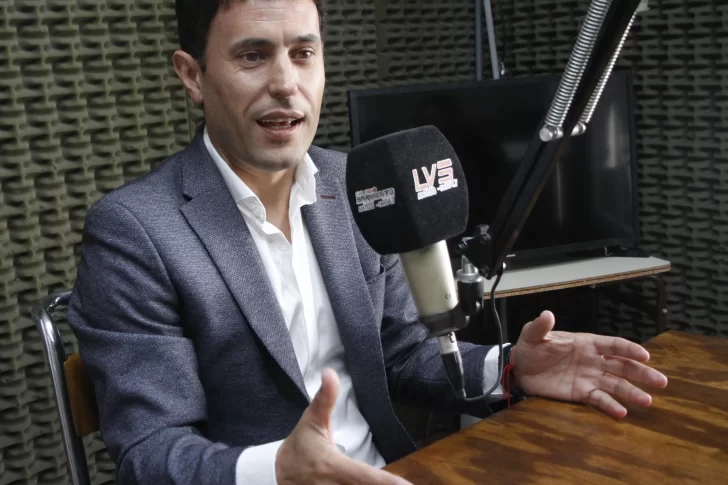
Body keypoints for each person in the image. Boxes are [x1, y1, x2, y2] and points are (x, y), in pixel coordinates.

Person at [67, 0, 669, 484]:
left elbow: (402, 354)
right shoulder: (136, 230)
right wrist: (277, 471)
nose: (286, 84)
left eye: (303, 53)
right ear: (192, 75)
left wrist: (510, 368)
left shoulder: (357, 183)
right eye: (253, 55)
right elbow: (150, 452)